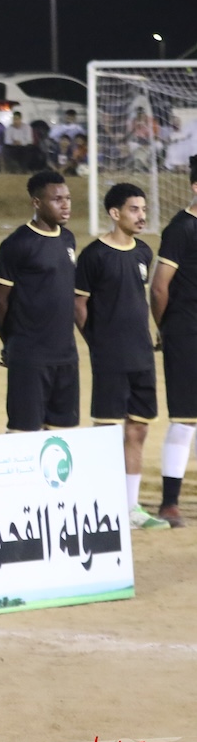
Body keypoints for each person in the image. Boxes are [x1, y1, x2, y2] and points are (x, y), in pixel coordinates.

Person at [73, 183, 168, 530]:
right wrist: (98, 342)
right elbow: (78, 305)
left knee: (138, 430)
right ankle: (103, 505)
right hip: (111, 356)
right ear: (115, 213)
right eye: (134, 209)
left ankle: (130, 508)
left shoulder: (143, 251)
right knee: (107, 432)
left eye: (143, 209)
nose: (141, 216)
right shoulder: (93, 255)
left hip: (141, 355)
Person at [0, 170, 79, 432]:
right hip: (30, 357)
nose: (65, 205)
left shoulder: (67, 238)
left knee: (62, 434)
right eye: (57, 199)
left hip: (66, 356)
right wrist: (13, 343)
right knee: (24, 434)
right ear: (36, 203)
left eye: (67, 198)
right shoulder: (18, 243)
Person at [150, 157, 197, 526]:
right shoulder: (181, 229)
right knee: (185, 418)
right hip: (186, 333)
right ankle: (169, 503)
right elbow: (159, 287)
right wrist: (166, 328)